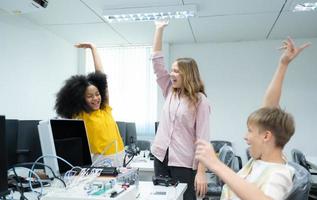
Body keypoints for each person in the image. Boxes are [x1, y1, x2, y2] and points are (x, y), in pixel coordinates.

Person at [195, 37, 310, 200]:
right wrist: (283, 65)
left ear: (266, 136)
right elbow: (269, 108)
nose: (245, 136)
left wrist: (216, 164)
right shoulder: (261, 160)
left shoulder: (279, 174)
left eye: (250, 131)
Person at [150, 20, 210, 200]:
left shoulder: (200, 100)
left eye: (176, 71)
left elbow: (203, 139)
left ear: (187, 74)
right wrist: (159, 30)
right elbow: (157, 64)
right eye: (172, 70)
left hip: (184, 163)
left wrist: (201, 172)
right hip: (161, 157)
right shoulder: (169, 90)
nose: (171, 74)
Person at [55, 43, 125, 167]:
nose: (95, 98)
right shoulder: (81, 115)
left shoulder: (105, 109)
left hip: (119, 155)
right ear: (81, 98)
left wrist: (93, 48)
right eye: (90, 96)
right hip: (100, 160)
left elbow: (101, 75)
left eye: (97, 94)